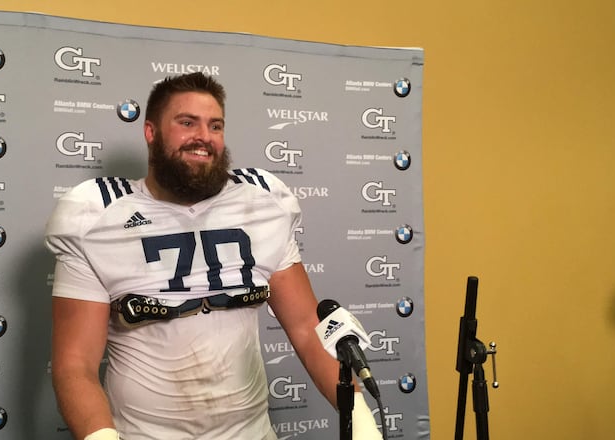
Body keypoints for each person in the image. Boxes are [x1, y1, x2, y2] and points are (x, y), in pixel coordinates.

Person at [45, 72, 383, 440]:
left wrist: (361, 420)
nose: (204, 137)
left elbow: (306, 328)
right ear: (151, 132)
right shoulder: (97, 215)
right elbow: (75, 364)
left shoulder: (262, 203)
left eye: (215, 125)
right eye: (187, 122)